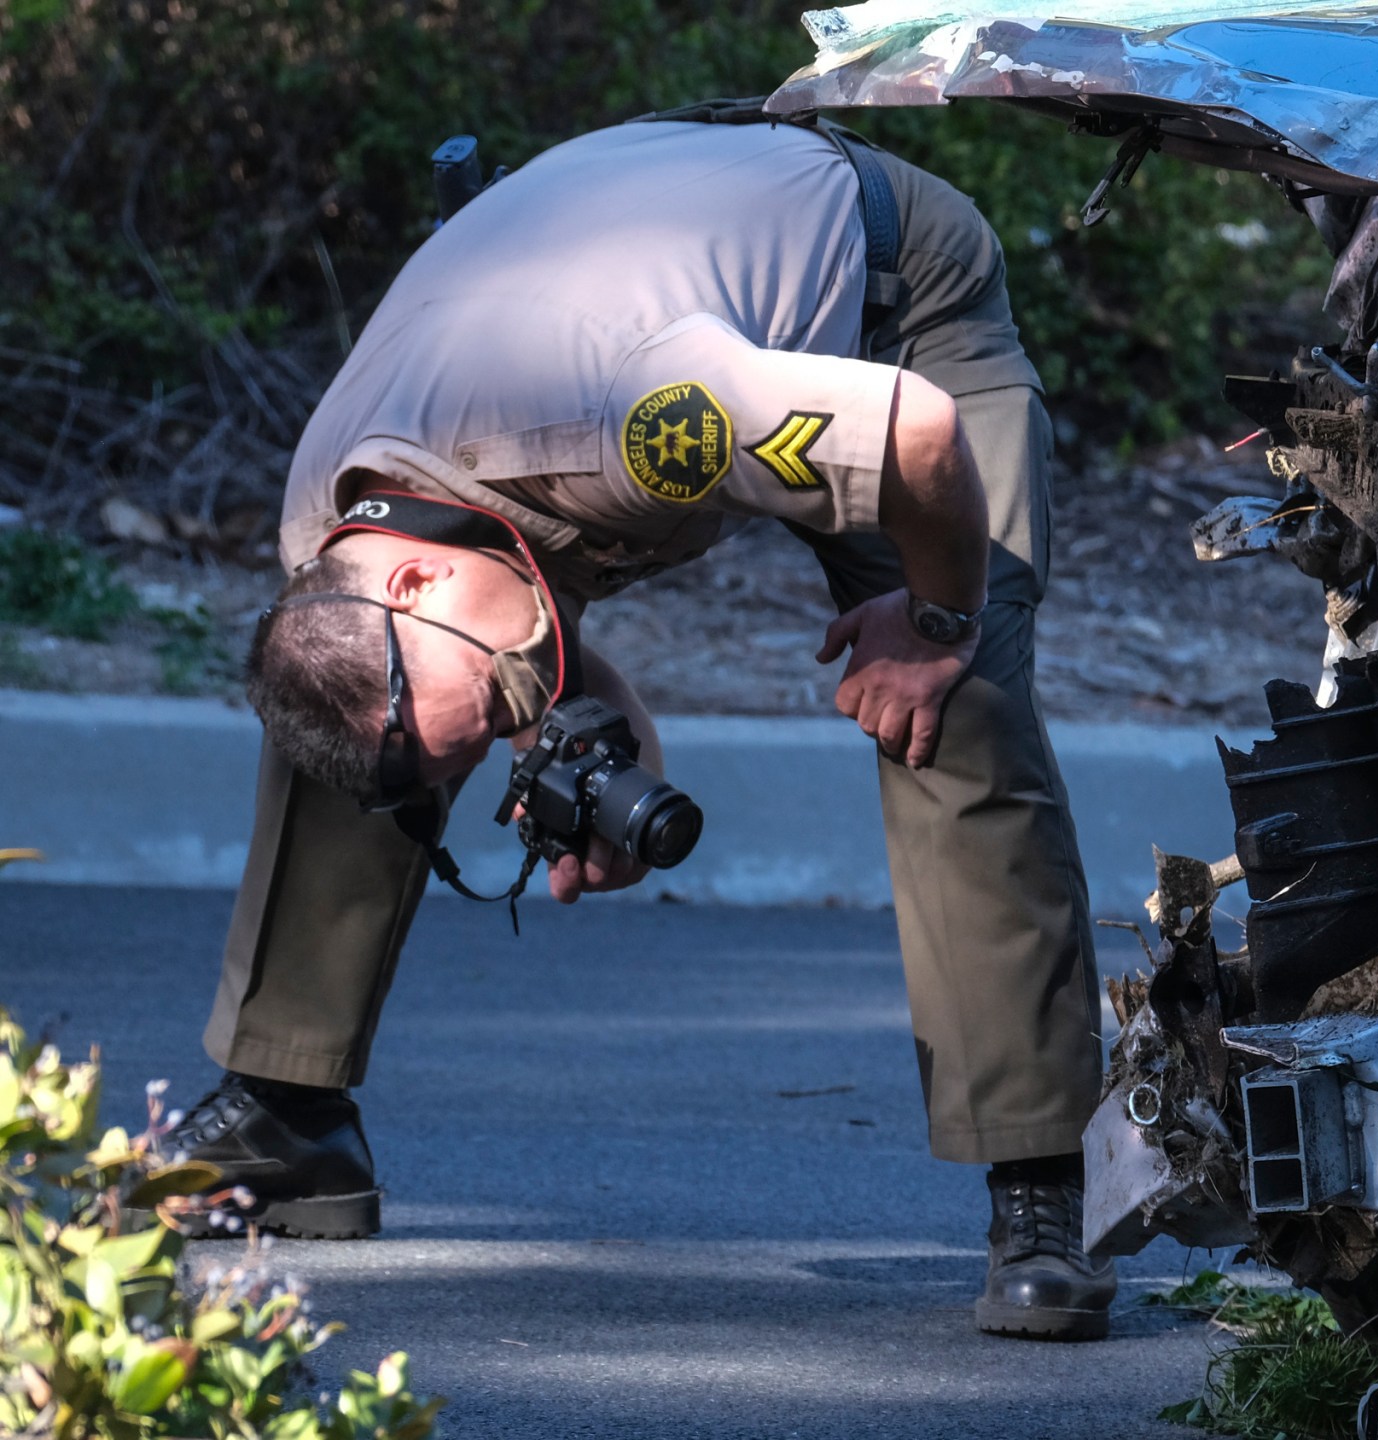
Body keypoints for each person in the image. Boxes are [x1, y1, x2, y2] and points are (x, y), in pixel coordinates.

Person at [169, 107, 1118, 1342]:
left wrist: (933, 620)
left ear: (414, 577)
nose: (522, 718)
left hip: (888, 301)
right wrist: (581, 754)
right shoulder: (334, 546)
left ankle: (1043, 1175)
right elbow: (506, 653)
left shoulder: (649, 414)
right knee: (343, 712)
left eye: (510, 707)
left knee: (950, 709)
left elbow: (917, 436)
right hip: (617, 274)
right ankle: (284, 1110)